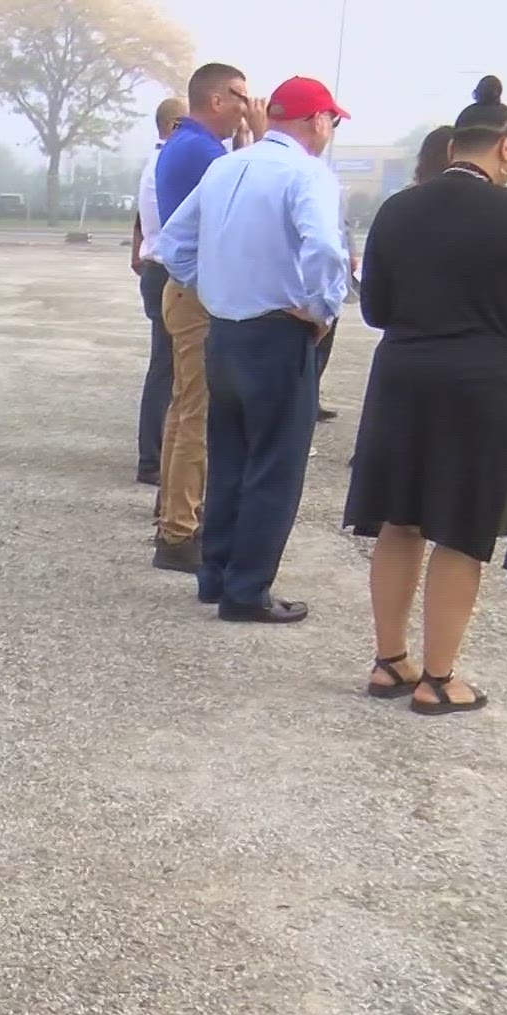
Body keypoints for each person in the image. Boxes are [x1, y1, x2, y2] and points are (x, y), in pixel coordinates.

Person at [344, 78, 507, 716]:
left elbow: (374, 308)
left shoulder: (399, 210)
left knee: (400, 521)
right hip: (486, 381)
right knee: (461, 528)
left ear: (454, 144)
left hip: (403, 372)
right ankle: (438, 678)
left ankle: (388, 660)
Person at [156, 75, 350, 624]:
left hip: (226, 330)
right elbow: (324, 249)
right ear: (316, 121)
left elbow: (173, 243)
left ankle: (215, 576)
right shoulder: (307, 173)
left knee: (231, 459)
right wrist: (321, 309)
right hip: (276, 332)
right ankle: (247, 591)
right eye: (330, 122)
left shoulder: (226, 165)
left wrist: (213, 286)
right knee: (274, 466)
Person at [150, 62, 266, 574]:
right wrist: (260, 145)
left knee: (183, 409)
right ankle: (179, 532)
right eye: (241, 96)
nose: (247, 106)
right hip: (197, 296)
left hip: (184, 292)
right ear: (216, 100)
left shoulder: (189, 145)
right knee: (196, 415)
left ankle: (170, 517)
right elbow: (245, 208)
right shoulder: (202, 152)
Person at [131, 96, 190, 487]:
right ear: (172, 126)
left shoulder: (157, 163)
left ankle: (154, 456)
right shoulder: (170, 163)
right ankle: (153, 459)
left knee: (166, 366)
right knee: (168, 368)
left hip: (157, 267)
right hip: (168, 272)